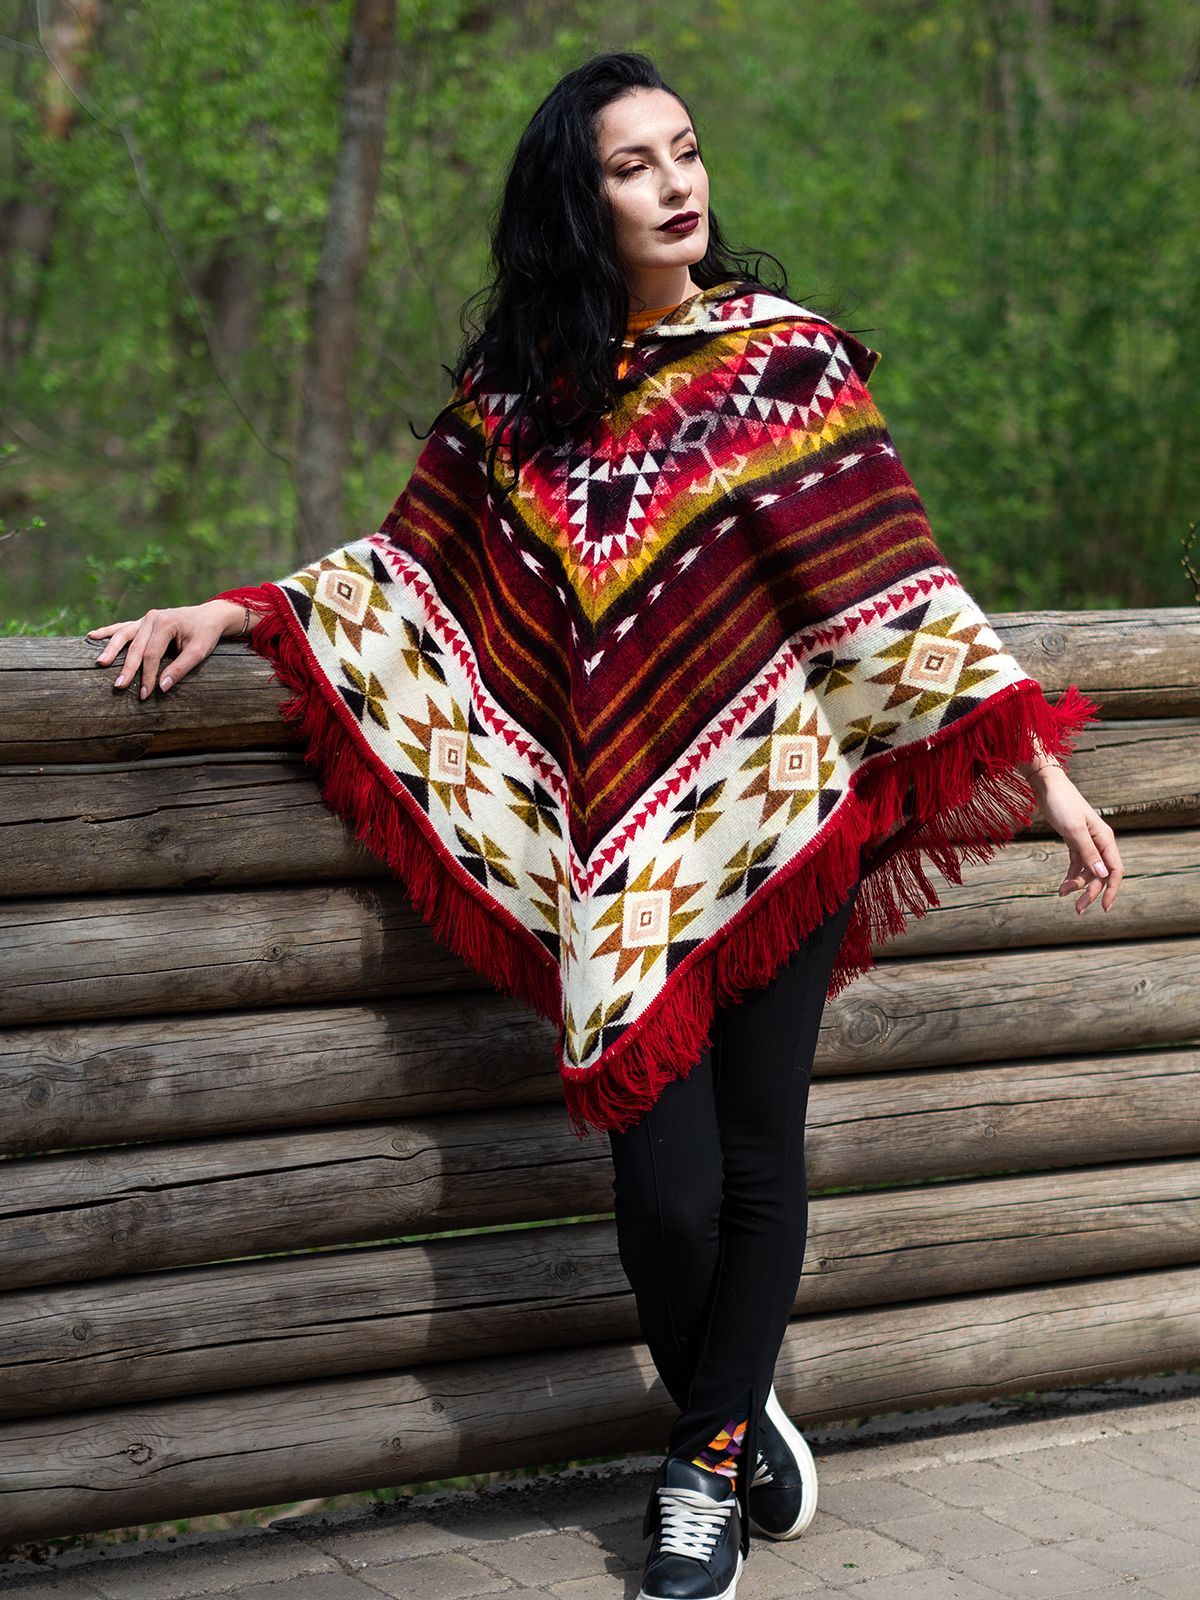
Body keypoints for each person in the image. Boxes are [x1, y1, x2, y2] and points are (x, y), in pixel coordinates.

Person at [86, 50, 1123, 1600]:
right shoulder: (519, 403)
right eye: (634, 166)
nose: (676, 184)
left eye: (684, 150)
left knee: (757, 1159)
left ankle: (698, 1473)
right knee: (668, 1198)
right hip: (624, 855)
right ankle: (736, 1406)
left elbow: (897, 585)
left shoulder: (784, 364)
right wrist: (238, 612)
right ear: (580, 201)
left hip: (784, 810)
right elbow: (407, 575)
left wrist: (1033, 765)